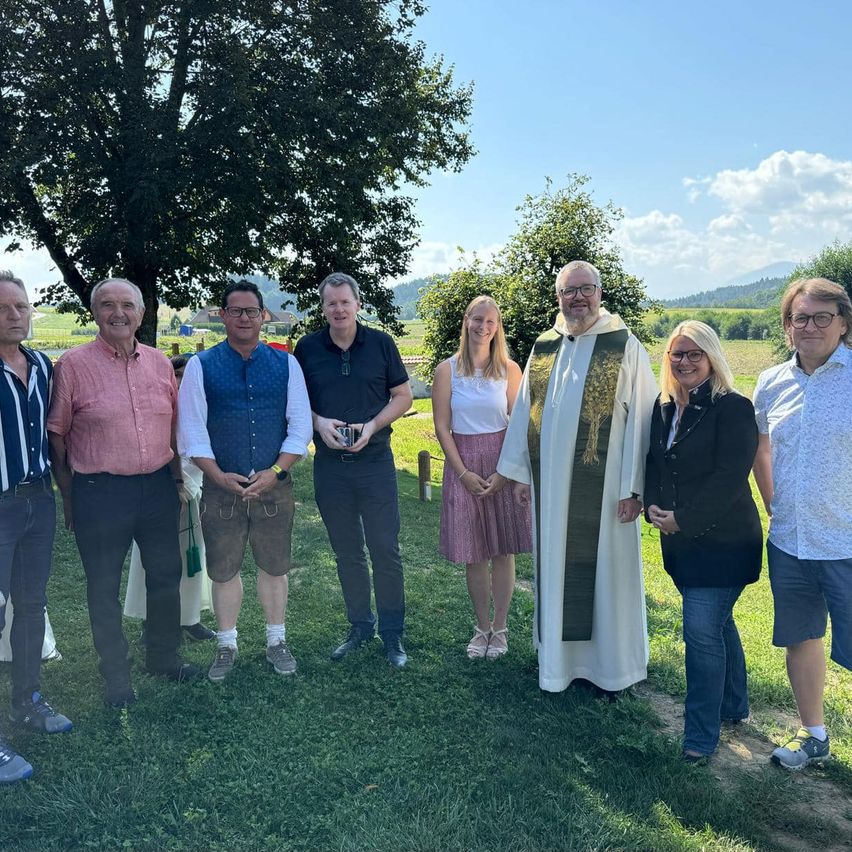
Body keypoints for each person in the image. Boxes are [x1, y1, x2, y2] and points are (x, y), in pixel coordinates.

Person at [497, 260, 656, 693]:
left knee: (606, 575)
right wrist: (521, 475)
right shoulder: (545, 347)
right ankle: (559, 668)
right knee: (557, 571)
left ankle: (611, 670)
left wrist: (635, 488)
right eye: (569, 291)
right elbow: (524, 415)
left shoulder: (624, 346)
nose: (578, 298)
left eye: (586, 289)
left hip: (607, 495)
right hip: (550, 492)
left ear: (600, 293)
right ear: (558, 297)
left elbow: (644, 420)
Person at [48, 278, 199, 708]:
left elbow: (171, 427)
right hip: (99, 490)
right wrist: (69, 495)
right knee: (103, 585)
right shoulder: (73, 366)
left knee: (166, 576)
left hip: (156, 487)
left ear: (142, 312)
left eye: (127, 305)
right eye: (108, 305)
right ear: (94, 312)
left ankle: (164, 658)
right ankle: (116, 674)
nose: (119, 313)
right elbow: (57, 436)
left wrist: (175, 480)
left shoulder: (159, 364)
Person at [178, 280, 312, 682]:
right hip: (222, 487)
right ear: (222, 316)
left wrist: (276, 471)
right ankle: (226, 643)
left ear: (263, 316)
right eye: (234, 311)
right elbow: (191, 431)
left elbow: (300, 425)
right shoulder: (201, 366)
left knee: (274, 566)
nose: (243, 318)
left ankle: (276, 640)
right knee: (223, 569)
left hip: (275, 485)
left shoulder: (286, 364)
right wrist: (216, 474)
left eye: (251, 311)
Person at [644, 321, 762, 762]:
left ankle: (698, 738)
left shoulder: (733, 408)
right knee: (716, 623)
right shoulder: (663, 407)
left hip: (726, 543)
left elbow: (728, 479)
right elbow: (655, 464)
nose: (685, 362)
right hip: (681, 545)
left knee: (700, 632)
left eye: (695, 354)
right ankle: (733, 705)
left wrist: (683, 520)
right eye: (677, 354)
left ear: (712, 358)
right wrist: (653, 505)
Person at [752, 277, 852, 770]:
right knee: (801, 638)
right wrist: (772, 500)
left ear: (843, 323)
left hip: (847, 541)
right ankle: (814, 735)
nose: (809, 326)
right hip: (790, 540)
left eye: (821, 317)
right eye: (799, 318)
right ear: (787, 326)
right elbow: (761, 446)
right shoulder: (771, 383)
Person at [294, 272, 413, 668]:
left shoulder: (381, 343)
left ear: (358, 304)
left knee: (385, 549)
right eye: (331, 303)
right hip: (331, 468)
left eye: (345, 302)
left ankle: (393, 635)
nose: (339, 309)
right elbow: (295, 403)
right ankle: (361, 626)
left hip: (375, 462)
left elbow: (403, 395)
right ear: (323, 307)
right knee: (347, 552)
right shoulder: (307, 349)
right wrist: (318, 422)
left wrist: (373, 425)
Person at [0, 270, 72, 785]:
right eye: (4, 308)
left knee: (30, 607)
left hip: (37, 503)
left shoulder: (44, 366)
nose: (14, 315)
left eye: (21, 306)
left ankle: (26, 700)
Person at [432, 296, 531, 659]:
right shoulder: (448, 370)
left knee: (502, 550)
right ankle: (481, 628)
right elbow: (442, 426)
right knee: (475, 552)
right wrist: (462, 473)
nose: (483, 326)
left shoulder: (509, 369)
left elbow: (518, 425)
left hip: (500, 463)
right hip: (464, 464)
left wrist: (506, 473)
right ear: (466, 320)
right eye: (478, 319)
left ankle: (501, 629)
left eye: (491, 321)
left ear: (497, 326)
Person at [124, 355, 214, 644]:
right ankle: (151, 620)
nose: (182, 382)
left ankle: (189, 617)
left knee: (193, 556)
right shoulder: (156, 408)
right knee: (152, 559)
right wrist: (176, 482)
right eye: (177, 375)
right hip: (159, 490)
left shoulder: (203, 409)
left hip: (196, 488)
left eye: (188, 377)